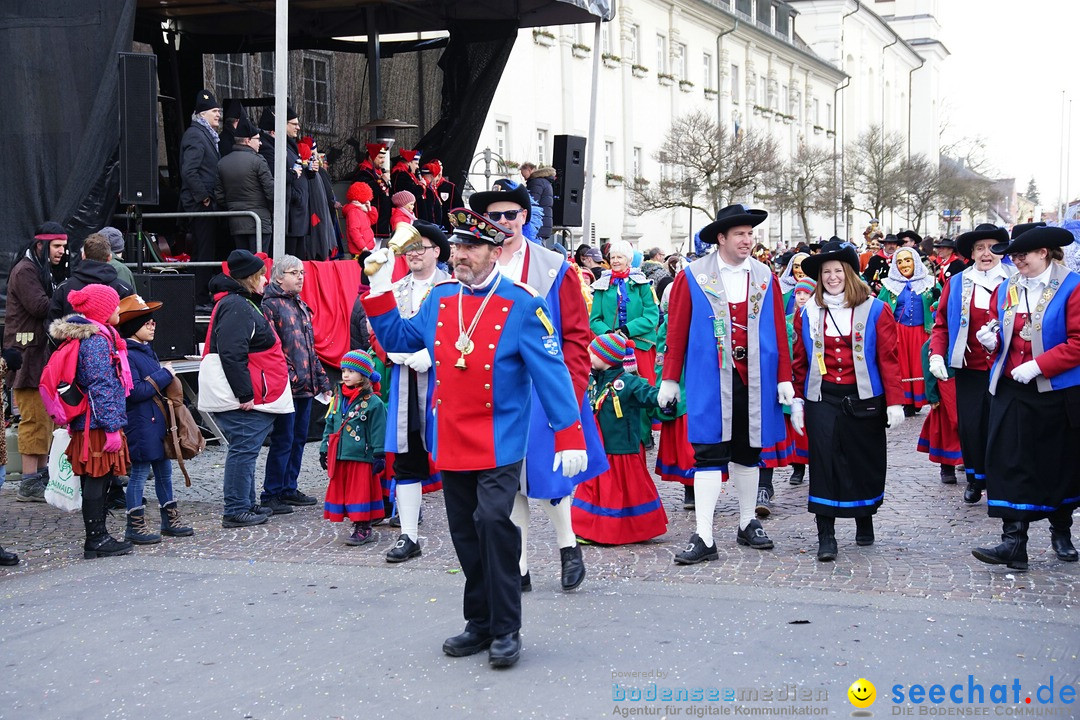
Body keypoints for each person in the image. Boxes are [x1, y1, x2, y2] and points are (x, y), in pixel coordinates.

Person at [361, 208, 589, 669]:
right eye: (457, 247)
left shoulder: (524, 302)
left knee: (493, 522)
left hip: (500, 437)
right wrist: (382, 288)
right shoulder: (442, 298)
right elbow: (402, 340)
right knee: (465, 532)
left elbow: (552, 373)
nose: (459, 256)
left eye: (470, 248)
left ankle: (506, 627)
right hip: (450, 435)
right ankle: (479, 621)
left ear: (495, 251)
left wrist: (570, 435)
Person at [468, 182, 604, 593]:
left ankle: (568, 547)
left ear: (525, 217)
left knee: (550, 474)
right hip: (497, 392)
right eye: (495, 216)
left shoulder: (554, 267)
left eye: (511, 214)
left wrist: (572, 390)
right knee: (508, 482)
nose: (504, 222)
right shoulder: (478, 267)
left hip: (546, 388)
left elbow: (576, 337)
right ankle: (521, 565)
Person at [660, 204, 793, 563]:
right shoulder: (692, 276)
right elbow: (677, 330)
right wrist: (670, 378)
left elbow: (779, 331)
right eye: (740, 234)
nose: (748, 240)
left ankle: (747, 522)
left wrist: (784, 378)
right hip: (709, 378)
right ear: (721, 238)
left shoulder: (766, 276)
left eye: (750, 234)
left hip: (755, 378)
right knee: (708, 453)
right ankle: (704, 534)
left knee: (750, 451)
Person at [971, 226, 1080, 571]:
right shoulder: (1009, 286)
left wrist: (1039, 365)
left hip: (1056, 392)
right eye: (1013, 257)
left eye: (1023, 256)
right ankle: (1013, 542)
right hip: (1011, 388)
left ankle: (1061, 532)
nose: (1016, 262)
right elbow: (1004, 330)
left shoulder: (1073, 286)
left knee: (1056, 463)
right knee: (1007, 461)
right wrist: (992, 343)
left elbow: (1078, 342)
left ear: (1044, 252)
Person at [790, 240, 904, 562]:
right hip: (822, 397)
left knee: (861, 460)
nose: (831, 277)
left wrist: (895, 401)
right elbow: (800, 360)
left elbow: (889, 359)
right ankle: (825, 535)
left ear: (849, 273)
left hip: (864, 398)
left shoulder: (876, 309)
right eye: (826, 272)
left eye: (837, 270)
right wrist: (797, 400)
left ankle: (863, 517)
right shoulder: (807, 312)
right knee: (823, 462)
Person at [197, 250, 294, 528]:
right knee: (244, 450)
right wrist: (245, 394)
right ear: (251, 278)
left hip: (253, 393)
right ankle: (237, 508)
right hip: (246, 397)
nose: (266, 279)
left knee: (246, 450)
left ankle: (245, 503)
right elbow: (231, 353)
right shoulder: (237, 306)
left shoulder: (239, 303)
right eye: (262, 275)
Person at [380, 222, 451, 562]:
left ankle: (471, 531)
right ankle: (409, 535)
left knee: (455, 458)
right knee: (407, 462)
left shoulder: (453, 288)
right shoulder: (395, 289)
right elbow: (380, 330)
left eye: (420, 247)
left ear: (437, 250)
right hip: (405, 385)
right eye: (408, 249)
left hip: (445, 387)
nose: (413, 254)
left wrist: (434, 354)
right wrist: (386, 350)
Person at [928, 223, 1014, 503]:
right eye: (979, 248)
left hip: (1006, 368)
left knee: (1003, 424)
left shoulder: (1014, 279)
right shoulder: (957, 283)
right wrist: (937, 354)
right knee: (971, 426)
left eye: (991, 247)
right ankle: (975, 479)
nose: (986, 254)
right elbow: (941, 325)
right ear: (972, 253)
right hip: (969, 368)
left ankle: (1000, 480)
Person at [48, 285, 134, 559]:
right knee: (97, 478)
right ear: (102, 311)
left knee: (96, 478)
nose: (119, 309)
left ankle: (97, 536)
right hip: (96, 423)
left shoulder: (97, 337)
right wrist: (111, 427)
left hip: (91, 420)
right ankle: (96, 538)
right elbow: (102, 386)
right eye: (115, 305)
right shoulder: (97, 341)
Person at [570, 333, 668, 544]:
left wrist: (665, 398)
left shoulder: (628, 382)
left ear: (606, 358)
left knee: (625, 492)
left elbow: (649, 394)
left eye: (592, 353)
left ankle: (631, 528)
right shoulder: (594, 380)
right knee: (594, 489)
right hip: (600, 448)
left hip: (622, 448)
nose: (588, 355)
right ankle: (588, 527)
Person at [115, 295, 194, 544]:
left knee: (164, 472)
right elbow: (135, 392)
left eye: (152, 322)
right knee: (138, 474)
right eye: (146, 322)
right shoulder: (128, 355)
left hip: (155, 422)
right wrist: (163, 375)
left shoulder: (144, 351)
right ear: (132, 328)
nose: (153, 325)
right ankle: (134, 525)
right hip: (140, 423)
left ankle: (170, 520)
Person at [260, 255, 331, 514]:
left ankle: (289, 487)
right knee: (283, 439)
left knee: (299, 438)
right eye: (294, 272)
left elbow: (309, 348)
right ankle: (272, 492)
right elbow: (273, 348)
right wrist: (290, 376)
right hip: (287, 386)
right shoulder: (270, 306)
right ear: (279, 277)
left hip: (305, 384)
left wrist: (321, 379)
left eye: (302, 272)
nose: (300, 276)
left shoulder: (299, 303)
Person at [7, 223, 67, 501]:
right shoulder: (26, 271)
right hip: (27, 356)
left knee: (45, 419)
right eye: (57, 246)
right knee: (33, 420)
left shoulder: (37, 269)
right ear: (41, 246)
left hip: (36, 355)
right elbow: (41, 307)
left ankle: (40, 475)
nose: (62, 252)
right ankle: (29, 481)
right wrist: (67, 295)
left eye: (64, 247)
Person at [319, 349, 387, 545]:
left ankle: (363, 526)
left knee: (360, 491)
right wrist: (324, 448)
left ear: (364, 375)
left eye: (351, 371)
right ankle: (356, 522)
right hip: (340, 454)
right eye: (343, 371)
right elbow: (330, 423)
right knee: (346, 491)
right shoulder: (338, 398)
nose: (346, 375)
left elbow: (378, 429)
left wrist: (379, 453)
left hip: (361, 455)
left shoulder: (373, 402)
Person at [589, 239, 661, 387]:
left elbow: (651, 317)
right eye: (613, 257)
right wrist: (609, 334)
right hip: (610, 350)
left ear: (628, 260)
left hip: (640, 347)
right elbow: (594, 320)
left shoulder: (642, 284)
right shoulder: (602, 286)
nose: (615, 261)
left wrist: (628, 329)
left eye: (619, 257)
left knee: (643, 388)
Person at [876, 247, 935, 414]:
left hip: (922, 331)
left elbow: (940, 305)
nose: (904, 265)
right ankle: (905, 400)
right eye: (899, 262)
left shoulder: (929, 283)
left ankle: (920, 399)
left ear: (915, 261)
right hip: (899, 332)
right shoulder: (889, 285)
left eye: (907, 260)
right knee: (901, 365)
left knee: (919, 364)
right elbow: (880, 308)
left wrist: (937, 297)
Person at [179, 89, 223, 310]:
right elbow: (190, 171)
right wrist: (203, 197)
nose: (219, 115)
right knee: (203, 251)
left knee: (206, 250)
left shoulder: (204, 134)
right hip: (200, 205)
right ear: (203, 113)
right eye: (215, 111)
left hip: (205, 203)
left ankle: (203, 296)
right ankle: (199, 298)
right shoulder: (196, 134)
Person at [214, 116, 273, 254]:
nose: (261, 143)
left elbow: (219, 196)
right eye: (258, 139)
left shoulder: (222, 162)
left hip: (236, 222)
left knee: (242, 264)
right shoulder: (258, 161)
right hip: (259, 222)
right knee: (259, 264)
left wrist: (234, 208)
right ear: (247, 141)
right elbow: (271, 192)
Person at [48, 232, 135, 325]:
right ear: (109, 257)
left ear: (83, 255)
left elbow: (52, 325)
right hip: (113, 339)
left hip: (71, 338)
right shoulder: (123, 289)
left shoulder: (64, 287)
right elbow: (132, 325)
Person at [354, 143, 393, 238]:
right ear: (371, 156)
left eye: (383, 157)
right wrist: (382, 181)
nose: (383, 161)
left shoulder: (378, 173)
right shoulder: (363, 172)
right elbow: (368, 192)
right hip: (371, 225)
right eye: (380, 157)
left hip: (381, 223)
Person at [521, 163, 555, 244]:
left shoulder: (536, 182)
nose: (524, 178)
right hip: (544, 224)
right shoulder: (544, 181)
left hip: (537, 225)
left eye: (523, 174)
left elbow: (532, 202)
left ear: (529, 170)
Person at [342, 182, 378, 257]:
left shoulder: (361, 209)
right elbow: (354, 231)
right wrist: (363, 247)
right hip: (360, 250)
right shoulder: (354, 211)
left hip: (365, 248)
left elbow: (372, 221)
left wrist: (370, 209)